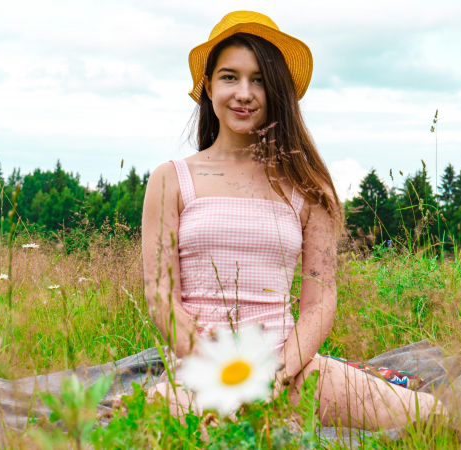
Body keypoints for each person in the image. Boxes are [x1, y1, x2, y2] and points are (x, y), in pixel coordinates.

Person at [141, 10, 442, 431]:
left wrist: (278, 375)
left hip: (289, 367)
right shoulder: (171, 178)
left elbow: (320, 303)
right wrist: (220, 373)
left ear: (277, 89)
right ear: (208, 85)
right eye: (230, 77)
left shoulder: (307, 185)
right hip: (201, 371)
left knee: (437, 419)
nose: (244, 93)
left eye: (259, 79)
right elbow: (160, 295)